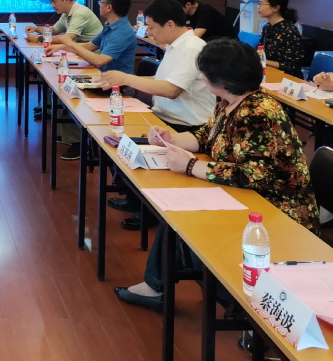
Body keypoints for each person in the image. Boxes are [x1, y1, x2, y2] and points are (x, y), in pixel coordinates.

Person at [115, 38, 319, 312]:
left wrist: (190, 166)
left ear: (223, 79)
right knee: (176, 212)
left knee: (190, 221)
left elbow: (253, 176)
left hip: (276, 208)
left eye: (205, 72)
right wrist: (172, 139)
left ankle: (234, 303)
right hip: (247, 195)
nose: (201, 77)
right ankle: (159, 286)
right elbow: (206, 136)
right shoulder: (229, 101)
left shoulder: (257, 111)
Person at [99, 0, 216, 229]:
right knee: (117, 141)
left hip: (186, 126)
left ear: (170, 24)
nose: (149, 32)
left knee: (131, 148)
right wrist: (125, 79)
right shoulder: (175, 46)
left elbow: (172, 90)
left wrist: (126, 78)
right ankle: (135, 199)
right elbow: (162, 80)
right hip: (165, 118)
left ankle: (149, 211)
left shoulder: (192, 48)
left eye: (152, 27)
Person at [44, 0, 136, 160]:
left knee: (70, 94)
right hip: (102, 79)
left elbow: (100, 60)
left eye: (101, 2)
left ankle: (81, 143)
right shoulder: (109, 26)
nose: (99, 5)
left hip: (116, 87)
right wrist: (61, 46)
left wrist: (69, 43)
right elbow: (89, 46)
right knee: (61, 86)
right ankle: (72, 137)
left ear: (109, 7)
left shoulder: (123, 31)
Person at [24, 0, 102, 45]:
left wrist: (40, 38)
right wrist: (36, 29)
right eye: (51, 2)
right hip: (80, 51)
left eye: (54, 1)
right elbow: (54, 30)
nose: (53, 5)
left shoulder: (80, 13)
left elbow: (67, 38)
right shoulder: (66, 13)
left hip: (93, 53)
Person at [257, 0, 304, 79]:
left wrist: (263, 61)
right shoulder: (267, 27)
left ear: (276, 8)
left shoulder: (289, 31)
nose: (258, 7)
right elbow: (261, 52)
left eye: (261, 3)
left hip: (288, 79)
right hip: (269, 74)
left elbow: (292, 67)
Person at [168, 0, 236, 41]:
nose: (174, 11)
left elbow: (193, 39)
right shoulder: (186, 13)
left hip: (229, 49)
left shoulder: (206, 13)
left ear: (188, 5)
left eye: (177, 8)